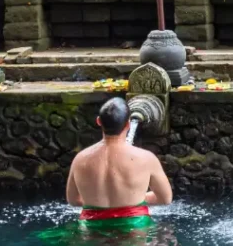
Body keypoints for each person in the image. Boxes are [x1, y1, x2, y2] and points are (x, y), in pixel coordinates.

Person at [65, 97, 173, 230]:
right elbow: (165, 199)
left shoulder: (80, 159)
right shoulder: (146, 158)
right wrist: (133, 198)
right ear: (128, 124)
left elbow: (73, 200)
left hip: (92, 227)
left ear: (99, 121)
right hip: (134, 227)